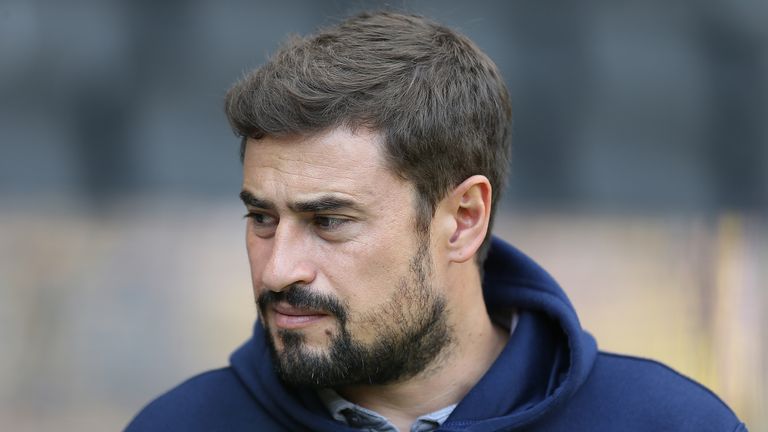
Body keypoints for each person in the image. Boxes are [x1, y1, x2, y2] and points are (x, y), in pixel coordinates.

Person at [126, 11, 746, 432]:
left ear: (463, 219)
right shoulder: (180, 424)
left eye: (330, 220)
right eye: (262, 217)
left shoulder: (667, 423)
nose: (278, 266)